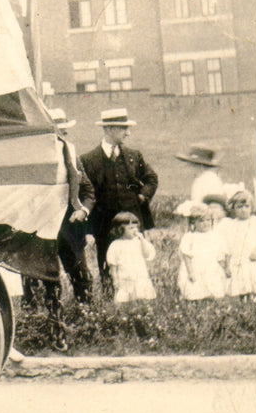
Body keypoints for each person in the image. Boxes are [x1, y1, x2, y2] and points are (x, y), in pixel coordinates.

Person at [21, 108, 93, 351]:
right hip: (41, 227)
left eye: (64, 129)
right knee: (43, 280)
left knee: (81, 275)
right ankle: (45, 329)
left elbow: (88, 190)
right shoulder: (34, 157)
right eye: (57, 129)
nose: (61, 133)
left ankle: (88, 323)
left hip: (69, 227)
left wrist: (83, 210)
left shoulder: (71, 155)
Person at [78, 108, 159, 295]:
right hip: (104, 225)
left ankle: (138, 301)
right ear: (109, 129)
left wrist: (142, 196)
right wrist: (88, 228)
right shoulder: (88, 160)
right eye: (123, 128)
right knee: (107, 262)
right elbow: (85, 194)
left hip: (132, 224)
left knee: (136, 262)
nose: (127, 133)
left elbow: (151, 179)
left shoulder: (133, 156)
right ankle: (111, 302)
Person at [221, 185, 256, 299]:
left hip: (254, 257)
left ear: (252, 207)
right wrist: (226, 265)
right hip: (239, 258)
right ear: (233, 208)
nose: (243, 209)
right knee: (241, 278)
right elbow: (227, 247)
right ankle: (244, 298)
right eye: (239, 207)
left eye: (247, 206)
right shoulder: (231, 225)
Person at [177, 203, 229, 300]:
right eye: (201, 221)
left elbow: (220, 254)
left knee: (214, 286)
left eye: (208, 220)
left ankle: (213, 299)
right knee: (195, 289)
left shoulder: (215, 236)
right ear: (193, 223)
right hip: (195, 266)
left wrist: (224, 267)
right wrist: (190, 271)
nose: (205, 223)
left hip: (210, 265)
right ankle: (195, 300)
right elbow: (186, 255)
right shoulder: (190, 236)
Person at [104, 212, 156, 303]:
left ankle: (141, 314)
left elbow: (148, 254)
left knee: (142, 299)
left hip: (140, 277)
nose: (135, 230)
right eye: (131, 228)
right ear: (120, 229)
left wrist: (143, 240)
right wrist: (115, 280)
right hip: (125, 279)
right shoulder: (116, 245)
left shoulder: (139, 242)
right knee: (126, 301)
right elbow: (113, 264)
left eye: (136, 227)